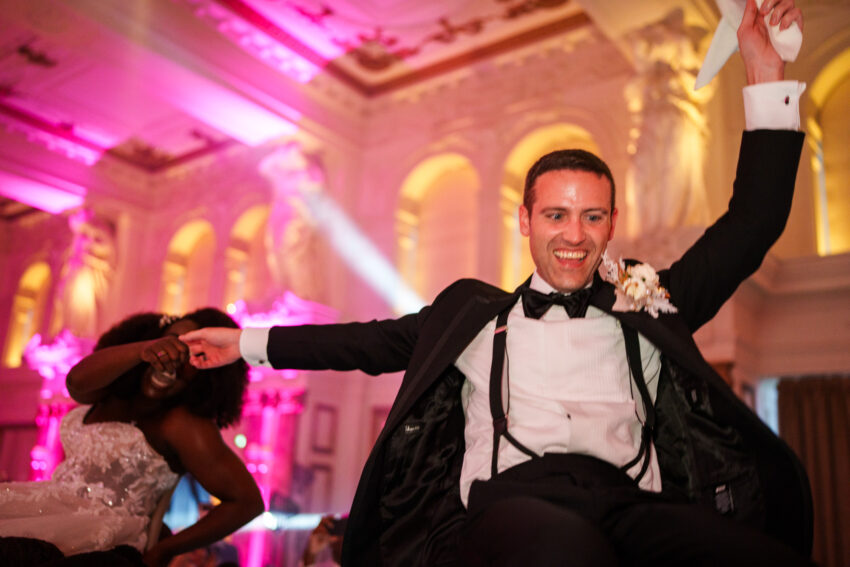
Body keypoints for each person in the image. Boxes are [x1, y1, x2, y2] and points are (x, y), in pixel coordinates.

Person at [180, 1, 813, 565]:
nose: (574, 234)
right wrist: (244, 344)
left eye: (592, 216)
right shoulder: (474, 316)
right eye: (556, 215)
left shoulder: (650, 302)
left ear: (612, 224)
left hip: (631, 505)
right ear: (525, 220)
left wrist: (763, 72)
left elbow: (752, 224)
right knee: (568, 553)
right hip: (512, 505)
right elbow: (362, 344)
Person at [0, 308, 264, 567]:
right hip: (48, 508)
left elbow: (247, 501)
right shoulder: (111, 394)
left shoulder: (181, 425)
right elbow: (76, 382)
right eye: (174, 342)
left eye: (194, 353)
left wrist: (165, 550)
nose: (175, 358)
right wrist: (146, 350)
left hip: (97, 541)